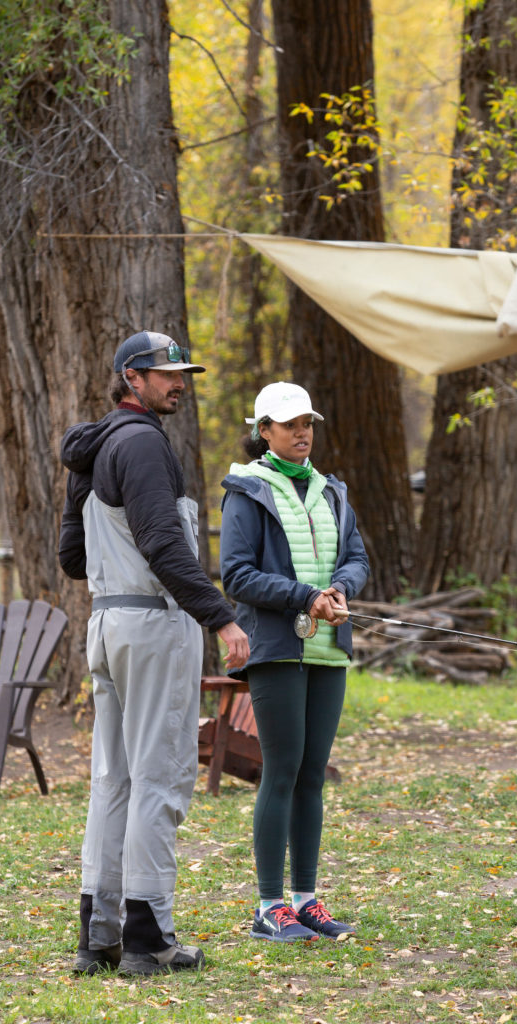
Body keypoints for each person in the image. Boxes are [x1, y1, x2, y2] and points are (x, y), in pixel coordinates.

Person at [59, 330, 250, 976]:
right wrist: (220, 619)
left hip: (107, 624)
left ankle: (99, 936)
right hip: (151, 624)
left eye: (180, 372)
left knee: (112, 780)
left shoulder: (95, 448)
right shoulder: (142, 445)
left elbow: (71, 559)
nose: (179, 382)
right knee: (159, 778)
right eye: (164, 373)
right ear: (129, 379)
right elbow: (165, 547)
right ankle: (147, 937)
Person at [219, 381, 370, 942]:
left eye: (307, 422)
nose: (302, 432)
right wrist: (304, 597)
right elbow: (236, 575)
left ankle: (306, 901)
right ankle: (268, 907)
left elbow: (356, 557)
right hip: (278, 649)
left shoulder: (332, 491)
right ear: (265, 432)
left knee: (312, 776)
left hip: (328, 649)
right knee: (280, 772)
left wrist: (338, 589)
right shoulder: (247, 491)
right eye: (289, 424)